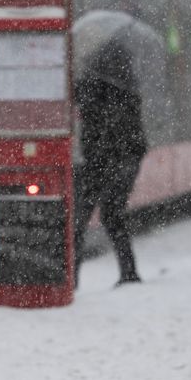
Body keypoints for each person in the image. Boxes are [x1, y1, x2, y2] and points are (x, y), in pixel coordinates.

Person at [72, 65, 147, 287]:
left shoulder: (92, 92)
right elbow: (138, 142)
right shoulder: (127, 94)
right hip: (116, 165)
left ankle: (72, 278)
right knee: (110, 217)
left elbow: (94, 136)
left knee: (80, 221)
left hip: (99, 166)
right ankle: (128, 271)